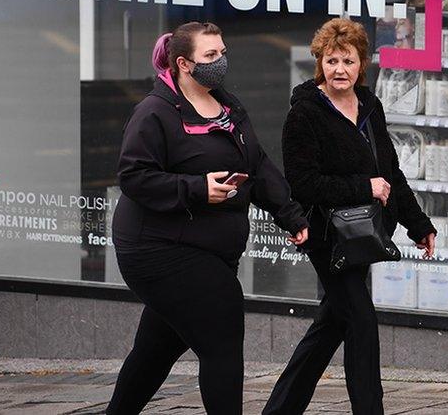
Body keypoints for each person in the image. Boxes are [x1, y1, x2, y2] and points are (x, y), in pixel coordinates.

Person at [107, 22, 309, 415]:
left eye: (223, 53)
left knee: (155, 349)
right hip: (159, 248)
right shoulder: (155, 112)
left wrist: (290, 214)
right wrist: (197, 188)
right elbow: (133, 176)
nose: (221, 62)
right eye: (210, 56)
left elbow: (258, 164)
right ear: (183, 63)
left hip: (207, 247)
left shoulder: (227, 106)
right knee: (222, 338)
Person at [264, 18, 436, 415]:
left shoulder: (369, 106)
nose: (339, 69)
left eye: (348, 61)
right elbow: (303, 184)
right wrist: (364, 187)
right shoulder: (304, 114)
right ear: (319, 63)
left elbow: (391, 174)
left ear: (363, 64)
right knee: (360, 322)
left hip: (364, 234)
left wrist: (419, 224)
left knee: (331, 325)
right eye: (330, 60)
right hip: (327, 237)